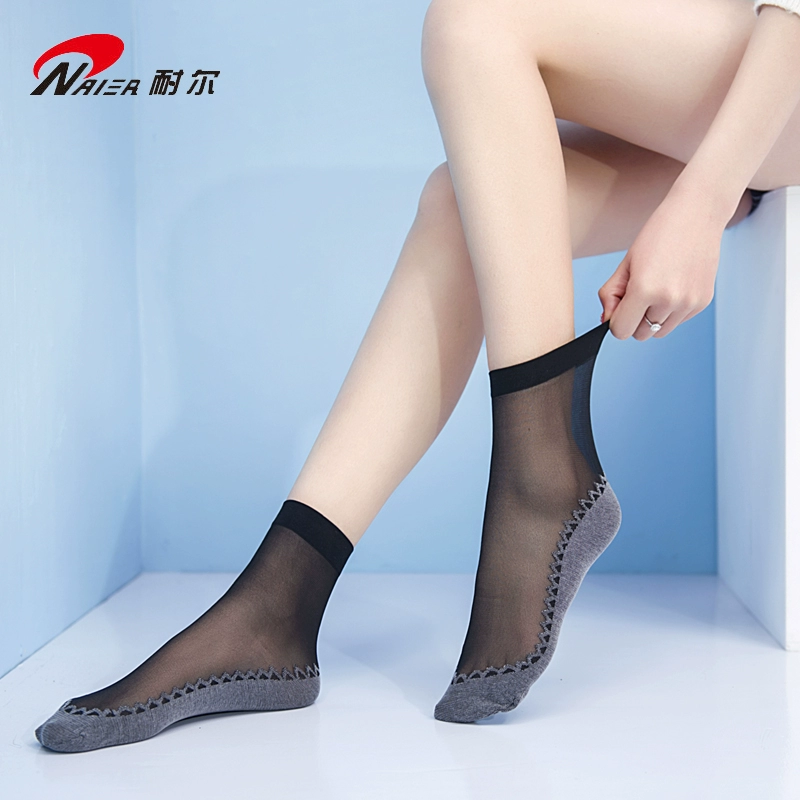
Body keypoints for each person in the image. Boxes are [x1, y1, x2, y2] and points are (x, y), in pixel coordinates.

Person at [36, 0, 800, 751]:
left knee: (476, 16)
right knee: (459, 202)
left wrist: (701, 202)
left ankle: (543, 467)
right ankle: (279, 600)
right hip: (730, 92)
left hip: (780, 67)